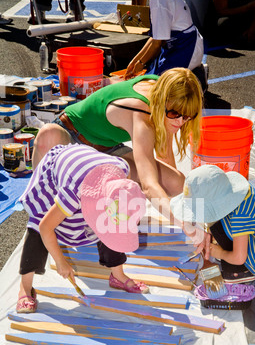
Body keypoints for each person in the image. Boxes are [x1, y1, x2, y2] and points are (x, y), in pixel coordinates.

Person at [32, 68, 205, 242]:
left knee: (176, 182)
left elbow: (165, 155)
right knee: (48, 136)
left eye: (188, 116)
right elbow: (148, 184)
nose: (180, 122)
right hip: (71, 138)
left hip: (106, 150)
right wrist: (183, 223)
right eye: (175, 114)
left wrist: (190, 216)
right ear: (163, 100)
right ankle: (40, 219)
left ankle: (92, 200)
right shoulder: (141, 113)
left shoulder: (162, 90)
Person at [16, 142, 149, 314]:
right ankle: (25, 287)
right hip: (58, 171)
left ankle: (118, 275)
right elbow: (45, 228)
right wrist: (61, 262)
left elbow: (116, 209)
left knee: (111, 227)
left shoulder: (121, 170)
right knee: (37, 225)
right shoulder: (73, 192)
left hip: (91, 170)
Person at [170, 165, 255, 283]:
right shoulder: (236, 194)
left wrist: (221, 253)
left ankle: (242, 272)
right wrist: (188, 224)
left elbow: (239, 258)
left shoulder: (241, 216)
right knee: (216, 224)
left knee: (218, 228)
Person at [118, 0, 205, 89]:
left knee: (156, 88)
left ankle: (197, 80)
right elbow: (155, 37)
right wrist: (135, 61)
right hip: (182, 43)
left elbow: (156, 43)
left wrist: (141, 63)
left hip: (187, 48)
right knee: (150, 76)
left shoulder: (158, 1)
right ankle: (194, 72)